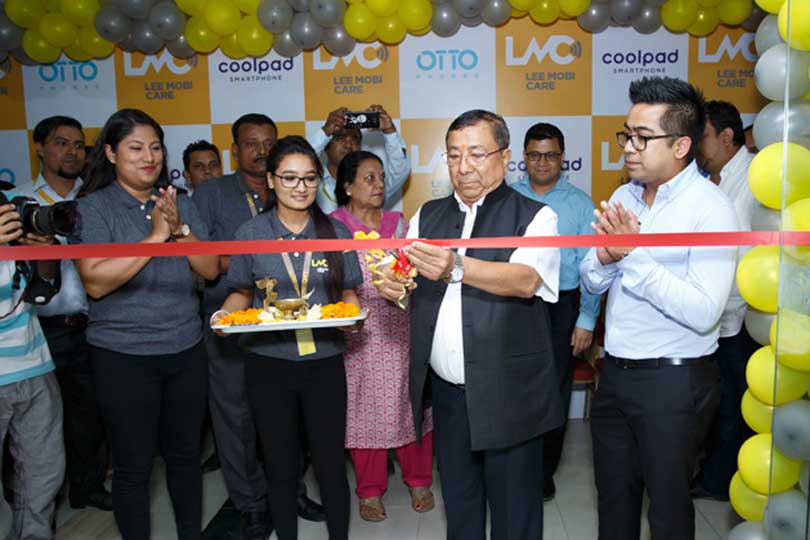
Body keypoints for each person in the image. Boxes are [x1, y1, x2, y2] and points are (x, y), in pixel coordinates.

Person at [375, 109, 562, 540]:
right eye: (454, 155)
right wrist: (393, 286)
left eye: (477, 154)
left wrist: (455, 266)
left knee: (515, 513)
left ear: (505, 157)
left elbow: (526, 280)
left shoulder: (536, 216)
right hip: (449, 394)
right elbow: (408, 280)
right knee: (460, 505)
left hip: (509, 393)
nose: (463, 167)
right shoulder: (427, 215)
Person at [579, 77, 738, 540]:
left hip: (675, 382)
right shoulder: (624, 195)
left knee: (668, 512)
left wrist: (632, 255)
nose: (629, 147)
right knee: (613, 503)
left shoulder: (711, 209)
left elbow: (704, 311)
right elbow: (591, 277)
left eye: (642, 137)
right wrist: (606, 260)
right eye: (627, 134)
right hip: (616, 373)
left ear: (682, 145)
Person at [70, 108, 218, 540]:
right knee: (133, 467)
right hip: (122, 356)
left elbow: (209, 269)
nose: (148, 157)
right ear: (111, 153)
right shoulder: (91, 209)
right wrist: (155, 237)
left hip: (185, 348)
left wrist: (180, 227)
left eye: (155, 147)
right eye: (135, 148)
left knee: (185, 458)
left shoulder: (180, 202)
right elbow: (95, 283)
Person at [211, 135, 363, 540]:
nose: (300, 187)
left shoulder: (336, 232)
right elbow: (241, 292)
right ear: (271, 180)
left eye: (309, 178)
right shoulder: (251, 233)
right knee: (279, 467)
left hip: (324, 362)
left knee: (330, 466)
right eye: (290, 178)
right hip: (268, 363)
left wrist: (352, 318)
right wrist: (225, 315)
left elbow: (349, 292)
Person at [193, 114, 326, 540]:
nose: (261, 149)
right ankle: (250, 503)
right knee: (235, 419)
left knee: (290, 418)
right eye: (251, 143)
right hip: (234, 323)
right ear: (234, 150)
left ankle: (292, 491)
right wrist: (253, 258)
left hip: (290, 327)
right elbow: (204, 260)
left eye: (269, 142)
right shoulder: (211, 194)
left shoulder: (294, 188)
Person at [330, 150, 435, 522]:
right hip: (357, 334)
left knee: (410, 404)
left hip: (400, 328)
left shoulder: (398, 223)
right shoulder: (334, 226)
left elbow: (414, 272)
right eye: (369, 178)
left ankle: (419, 480)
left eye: (381, 178)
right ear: (347, 186)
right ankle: (370, 490)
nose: (379, 185)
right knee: (363, 411)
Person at [18, 115, 112, 511]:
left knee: (90, 414)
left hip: (91, 323)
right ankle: (35, 502)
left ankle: (87, 487)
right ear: (39, 147)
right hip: (37, 328)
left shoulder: (96, 200)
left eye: (78, 145)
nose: (72, 152)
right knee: (36, 423)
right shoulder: (18, 202)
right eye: (61, 143)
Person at [511, 122, 600, 501]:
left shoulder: (579, 203)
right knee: (514, 387)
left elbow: (591, 267)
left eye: (550, 155)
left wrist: (586, 319)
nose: (542, 162)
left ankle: (544, 471)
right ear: (524, 157)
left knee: (554, 391)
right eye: (535, 155)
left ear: (562, 157)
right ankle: (515, 468)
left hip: (562, 305)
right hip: (515, 304)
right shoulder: (508, 198)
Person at [692, 100, 760, 501]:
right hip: (715, 318)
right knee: (721, 405)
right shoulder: (709, 183)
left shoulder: (754, 179)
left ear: (727, 137)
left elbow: (750, 256)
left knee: (738, 406)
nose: (694, 145)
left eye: (701, 136)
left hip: (745, 318)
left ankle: (724, 480)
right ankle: (716, 474)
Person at [0, 200, 65, 540]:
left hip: (34, 361)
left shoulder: (9, 209)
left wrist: (43, 248)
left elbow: (43, 290)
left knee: (43, 473)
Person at [309, 105, 409, 214]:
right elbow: (299, 160)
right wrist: (325, 132)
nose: (348, 145)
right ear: (326, 147)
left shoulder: (372, 184)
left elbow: (400, 171)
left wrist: (389, 131)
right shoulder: (311, 181)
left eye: (355, 140)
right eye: (340, 139)